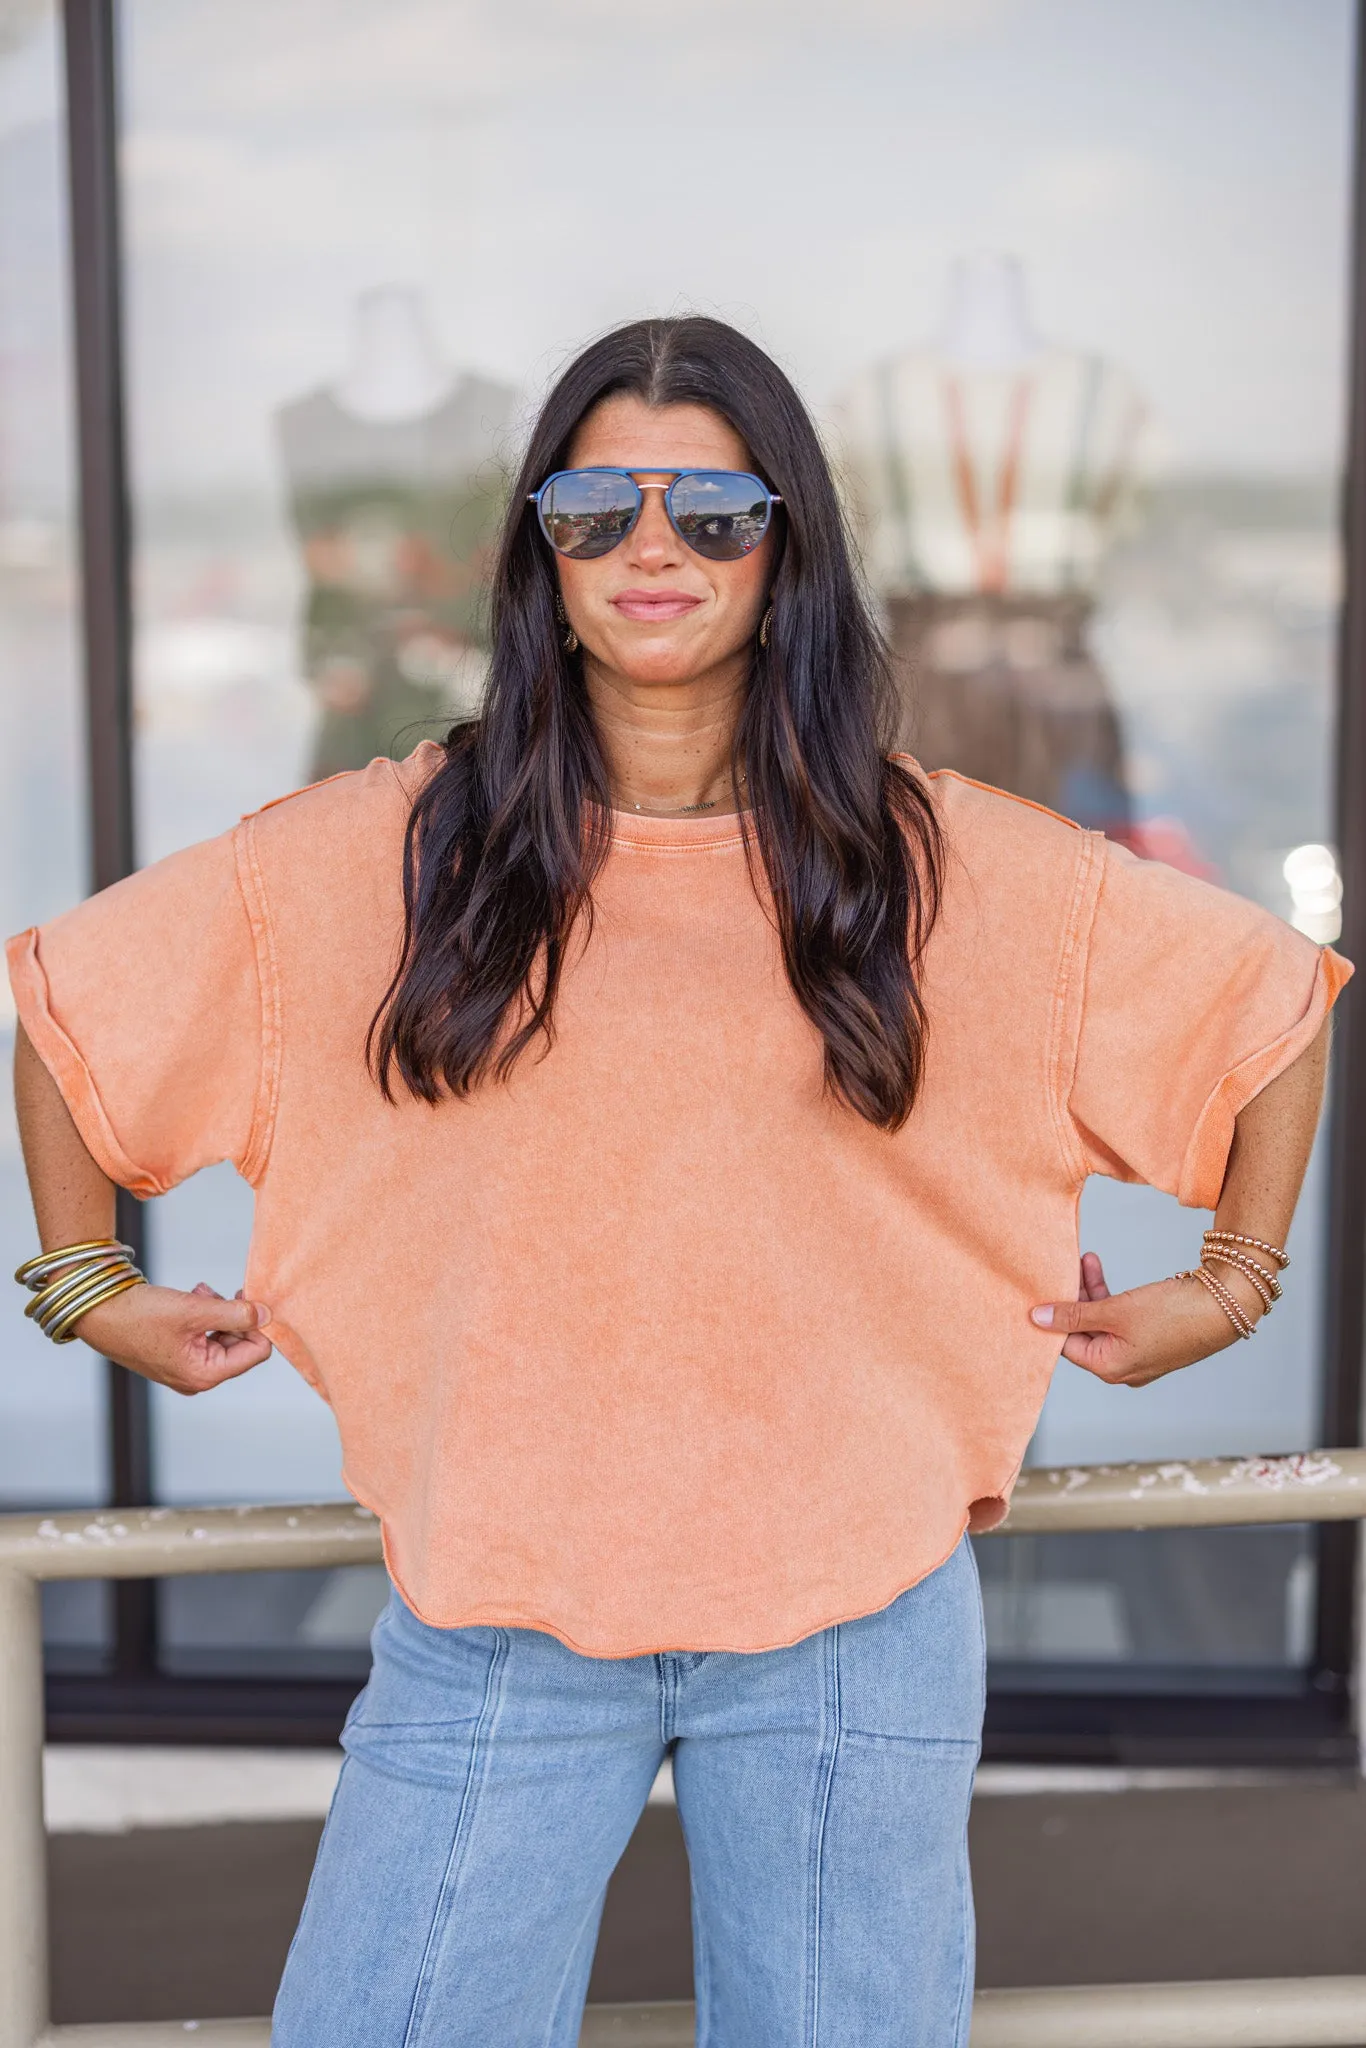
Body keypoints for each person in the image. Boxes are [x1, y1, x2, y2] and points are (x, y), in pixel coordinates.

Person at [8, 317, 1350, 2047]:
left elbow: (1270, 1007)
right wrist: (84, 1288)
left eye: (713, 510)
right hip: (488, 1608)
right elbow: (65, 1012)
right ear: (542, 552)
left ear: (787, 544)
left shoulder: (951, 868)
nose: (653, 548)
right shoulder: (373, 854)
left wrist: (1232, 1282)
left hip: (854, 1619)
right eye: (596, 508)